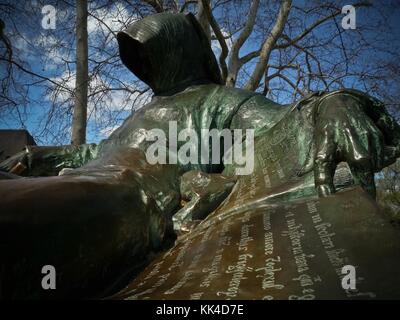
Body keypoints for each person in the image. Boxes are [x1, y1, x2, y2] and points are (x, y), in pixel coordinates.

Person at [0, 12, 399, 299]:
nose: (147, 63)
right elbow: (91, 150)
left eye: (151, 52)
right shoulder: (136, 116)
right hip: (75, 177)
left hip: (122, 195)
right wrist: (38, 157)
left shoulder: (217, 100)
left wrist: (334, 104)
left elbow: (281, 121)